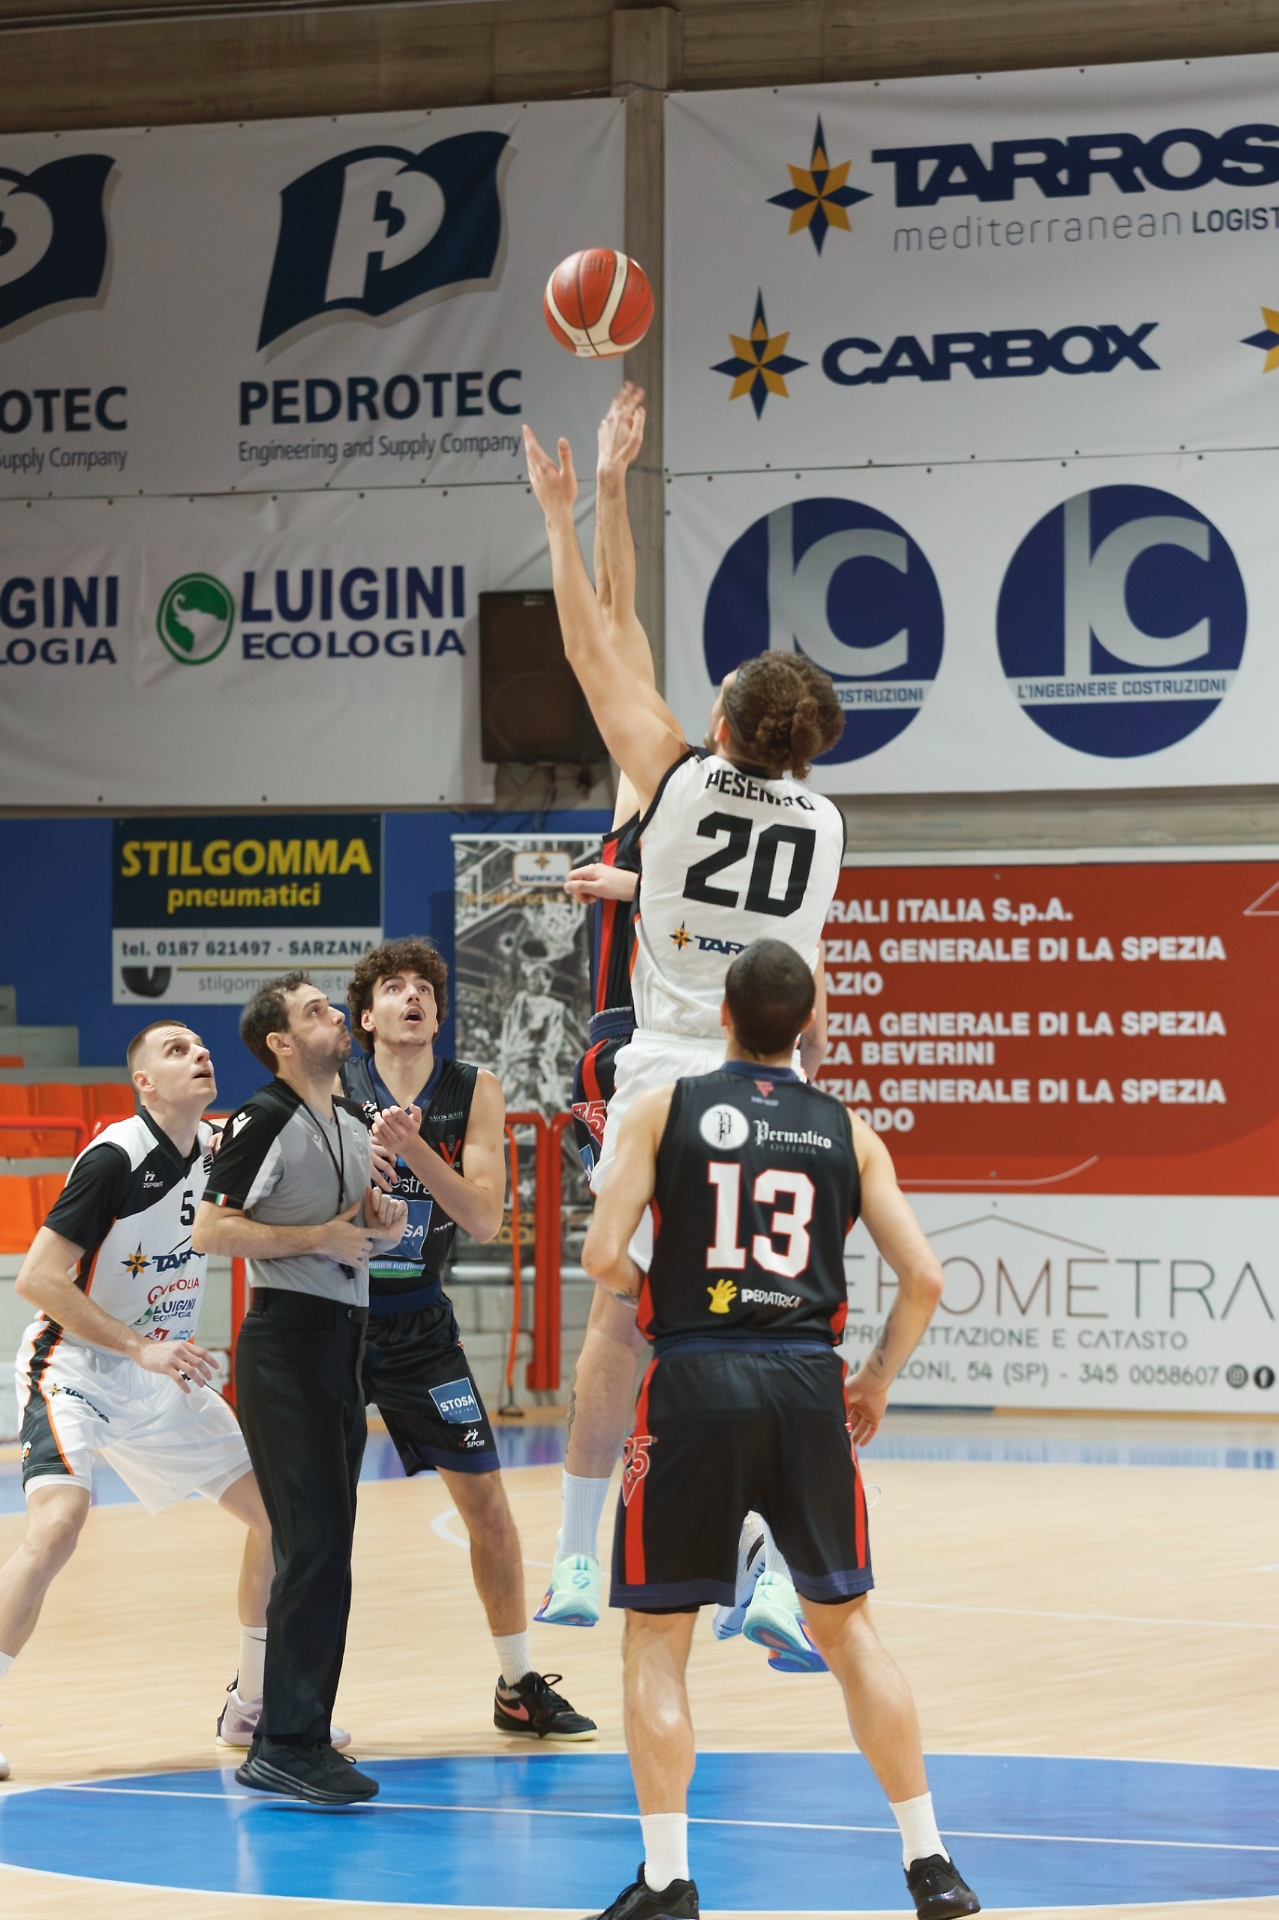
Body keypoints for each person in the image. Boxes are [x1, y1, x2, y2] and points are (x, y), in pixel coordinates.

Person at [528, 386, 841, 1671]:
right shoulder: (825, 824)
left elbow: (596, 644)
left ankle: (578, 1552)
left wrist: (570, 509)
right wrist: (608, 493)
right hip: (774, 1088)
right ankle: (768, 1572)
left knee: (623, 1317)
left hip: (663, 1076)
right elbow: (636, 648)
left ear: (715, 725)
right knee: (766, 1329)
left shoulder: (666, 774)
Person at [579, 941, 981, 1920]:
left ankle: (668, 1880)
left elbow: (600, 1257)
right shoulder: (849, 1130)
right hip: (807, 1384)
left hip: (693, 1382)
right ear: (807, 1026)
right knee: (848, 1629)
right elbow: (926, 1279)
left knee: (656, 1639)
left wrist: (671, 1298)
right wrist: (873, 1380)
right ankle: (929, 1863)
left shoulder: (661, 1110)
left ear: (722, 1013)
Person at [0, 1022, 274, 1781]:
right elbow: (37, 1277)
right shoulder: (114, 1156)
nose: (200, 1054)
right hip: (77, 1366)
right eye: (176, 1050)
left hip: (162, 1376)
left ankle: (252, 1706)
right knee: (57, 1526)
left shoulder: (222, 1146)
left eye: (202, 1047)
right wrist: (137, 1346)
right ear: (144, 1082)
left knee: (281, 1523)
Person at [339, 937, 595, 1741]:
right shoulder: (334, 1084)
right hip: (334, 1318)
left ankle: (517, 1685)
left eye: (424, 987)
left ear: (438, 1012)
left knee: (486, 1504)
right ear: (366, 1015)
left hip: (420, 1324)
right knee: (297, 1514)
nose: (411, 996)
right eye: (393, 987)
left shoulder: (473, 1088)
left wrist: (411, 1147)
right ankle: (256, 1686)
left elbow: (484, 1217)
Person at [193, 972, 408, 1806]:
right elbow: (213, 1229)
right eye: (314, 1011)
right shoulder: (263, 1117)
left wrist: (377, 1226)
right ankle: (282, 1742)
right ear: (281, 1042)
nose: (334, 1017)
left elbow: (350, 1229)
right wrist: (319, 1236)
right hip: (284, 1345)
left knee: (327, 1550)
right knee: (311, 1544)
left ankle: (301, 1735)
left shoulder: (348, 1118)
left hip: (340, 1344)